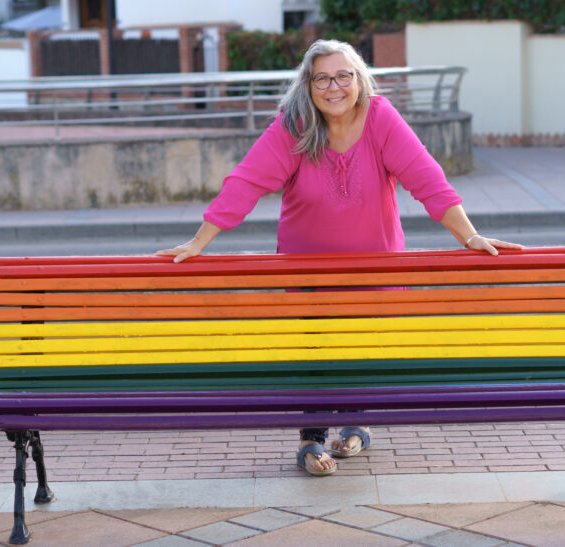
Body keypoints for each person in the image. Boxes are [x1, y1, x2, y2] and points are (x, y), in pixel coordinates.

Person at [157, 39, 521, 476]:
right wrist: (200, 240)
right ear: (308, 86)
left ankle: (354, 425)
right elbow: (247, 182)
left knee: (361, 347)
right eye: (322, 77)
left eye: (343, 75)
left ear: (359, 78)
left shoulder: (381, 117)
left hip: (374, 264)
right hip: (306, 267)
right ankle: (311, 439)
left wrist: (470, 235)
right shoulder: (294, 124)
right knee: (313, 351)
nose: (334, 86)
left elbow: (426, 177)